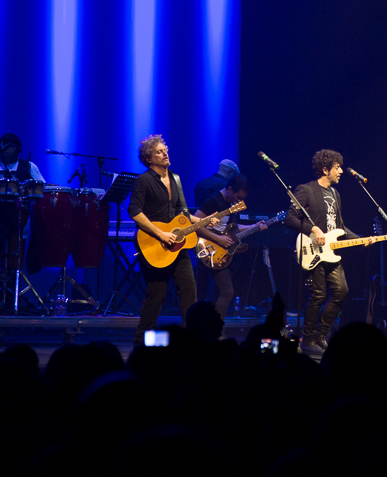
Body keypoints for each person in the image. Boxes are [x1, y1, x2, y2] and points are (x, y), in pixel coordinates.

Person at [129, 134, 216, 344]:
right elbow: (134, 211)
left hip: (177, 247)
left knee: (189, 290)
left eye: (165, 149)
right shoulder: (144, 180)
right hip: (154, 244)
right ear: (149, 159)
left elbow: (181, 214)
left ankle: (189, 340)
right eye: (159, 151)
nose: (165, 153)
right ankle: (142, 343)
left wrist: (203, 220)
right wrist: (160, 234)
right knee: (155, 296)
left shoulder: (175, 179)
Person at [285, 149, 370, 355]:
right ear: (325, 169)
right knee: (318, 295)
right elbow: (290, 218)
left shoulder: (335, 194)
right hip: (312, 250)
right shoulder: (305, 190)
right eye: (337, 167)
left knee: (342, 291)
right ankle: (307, 338)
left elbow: (339, 226)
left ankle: (321, 334)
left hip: (330, 251)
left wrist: (359, 238)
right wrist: (313, 229)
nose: (340, 171)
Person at [0, 132, 45, 296]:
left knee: (12, 264)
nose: (5, 149)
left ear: (19, 149)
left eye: (10, 146)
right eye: (2, 145)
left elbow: (41, 188)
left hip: (18, 223)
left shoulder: (28, 167)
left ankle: (10, 300)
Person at [193, 172, 268, 318]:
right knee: (209, 292)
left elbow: (231, 227)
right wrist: (218, 239)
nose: (238, 201)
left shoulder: (230, 204)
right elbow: (195, 224)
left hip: (221, 253)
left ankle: (213, 327)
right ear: (230, 189)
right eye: (238, 197)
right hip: (207, 250)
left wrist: (254, 226)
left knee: (223, 292)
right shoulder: (212, 201)